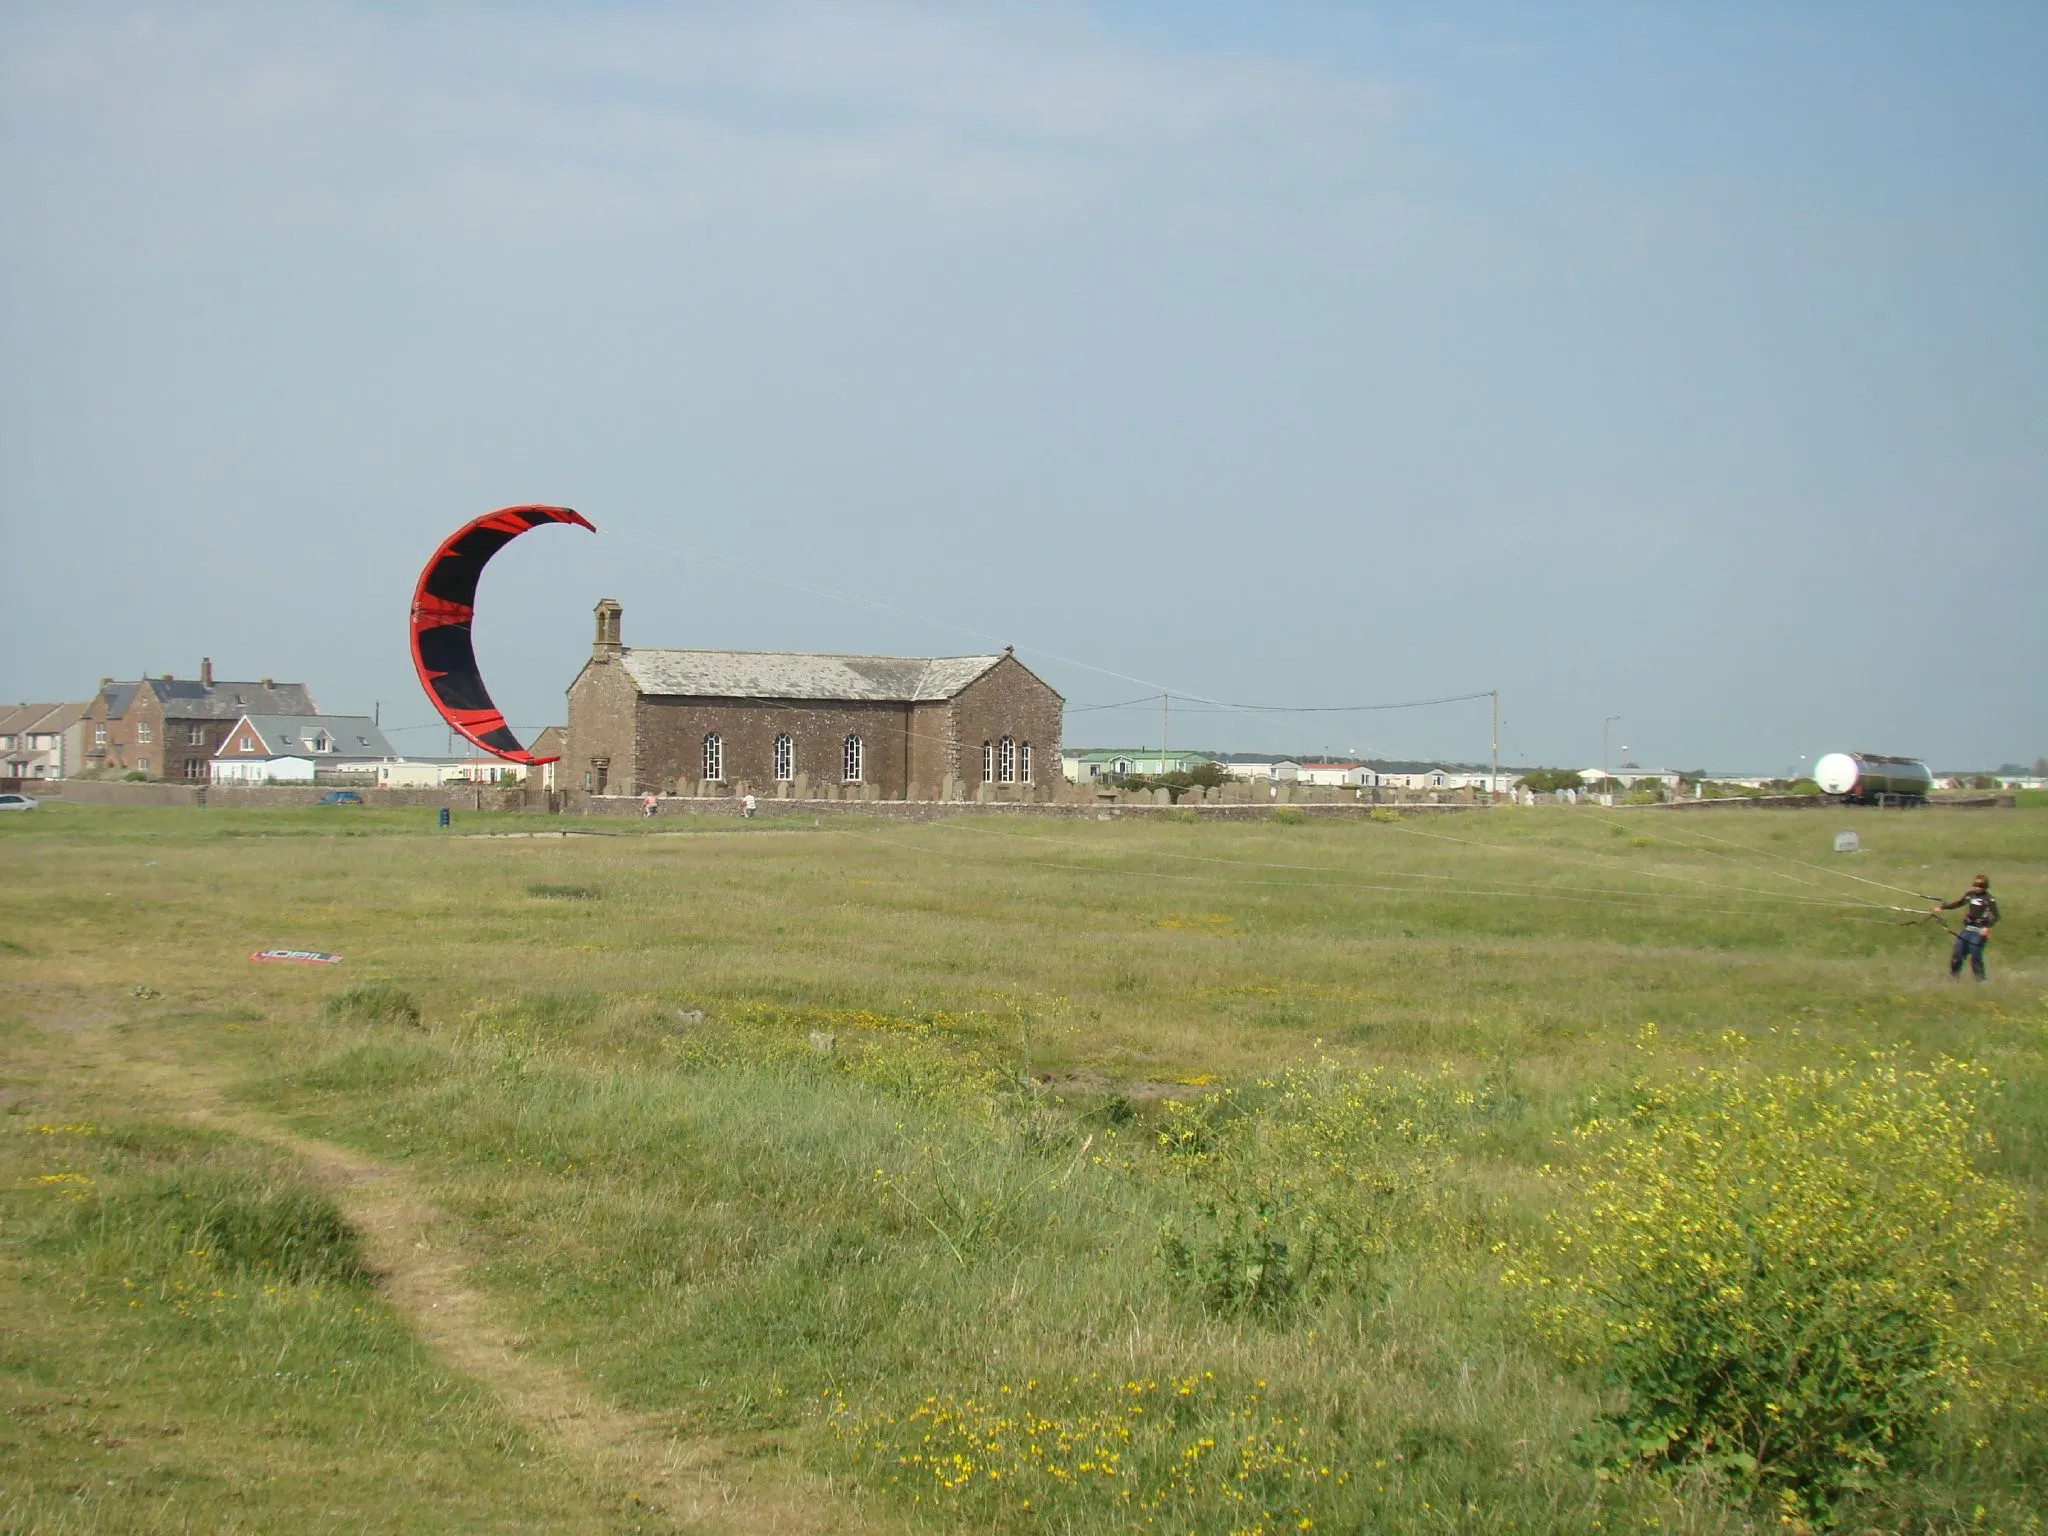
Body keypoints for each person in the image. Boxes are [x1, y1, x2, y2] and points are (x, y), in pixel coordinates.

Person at [1935, 874, 1999, 980]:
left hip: (1978, 932)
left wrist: (1987, 927)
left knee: (1975, 957)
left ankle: (1981, 981)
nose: (1978, 889)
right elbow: (1959, 903)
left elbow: (1996, 916)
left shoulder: (1989, 899)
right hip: (1967, 930)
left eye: (1981, 886)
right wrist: (1942, 907)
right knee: (1957, 955)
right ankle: (1953, 978)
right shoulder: (1970, 895)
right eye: (1976, 886)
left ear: (1985, 887)